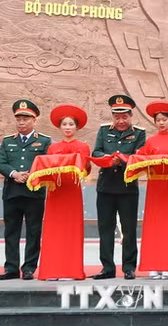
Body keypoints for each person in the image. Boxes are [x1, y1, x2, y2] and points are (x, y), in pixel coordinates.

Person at [92, 95, 145, 280]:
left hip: (127, 187)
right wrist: (108, 159)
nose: (121, 121)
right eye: (117, 117)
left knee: (129, 230)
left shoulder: (139, 133)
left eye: (124, 117)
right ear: (113, 116)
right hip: (105, 187)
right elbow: (96, 152)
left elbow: (139, 157)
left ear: (131, 116)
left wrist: (121, 160)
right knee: (105, 229)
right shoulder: (103, 131)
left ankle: (129, 267)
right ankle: (107, 267)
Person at [35, 104, 90, 280]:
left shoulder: (83, 147)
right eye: (64, 124)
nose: (67, 127)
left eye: (71, 124)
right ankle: (52, 270)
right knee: (54, 231)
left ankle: (71, 270)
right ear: (60, 127)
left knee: (71, 230)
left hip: (72, 191)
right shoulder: (53, 148)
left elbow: (86, 168)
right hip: (55, 192)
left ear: (77, 127)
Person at [135, 101, 168, 279]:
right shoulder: (150, 141)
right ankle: (153, 265)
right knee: (153, 225)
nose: (161, 123)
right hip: (154, 187)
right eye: (158, 120)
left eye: (164, 119)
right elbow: (143, 161)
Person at [0, 100, 51, 280]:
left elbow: (48, 163)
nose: (21, 123)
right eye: (19, 119)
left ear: (34, 120)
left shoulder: (44, 141)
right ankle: (11, 268)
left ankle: (29, 268)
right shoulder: (7, 141)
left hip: (33, 193)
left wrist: (32, 174)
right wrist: (14, 173)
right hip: (12, 192)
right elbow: (1, 162)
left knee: (33, 231)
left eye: (25, 119)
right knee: (11, 232)